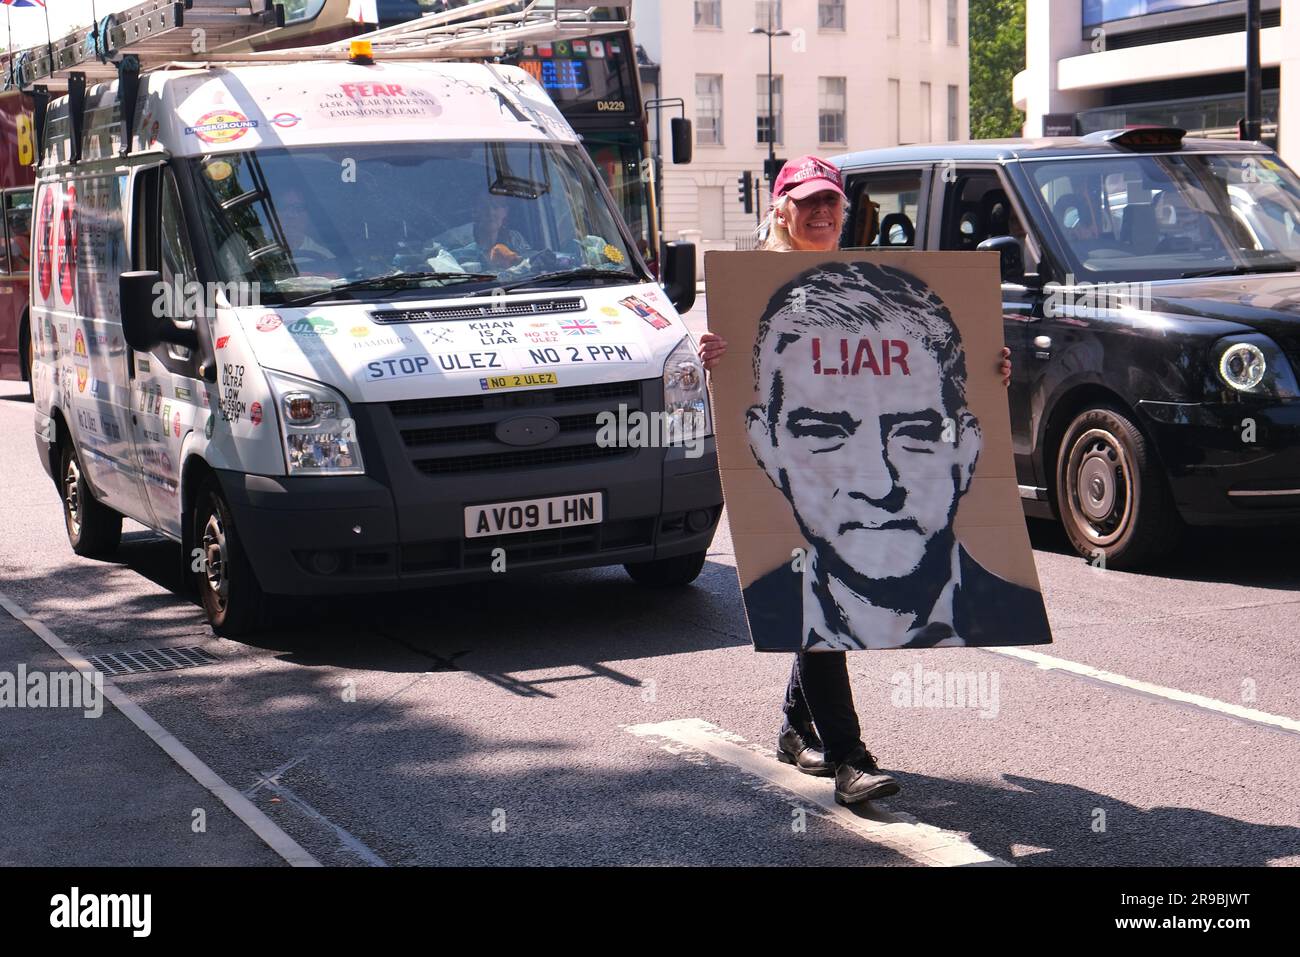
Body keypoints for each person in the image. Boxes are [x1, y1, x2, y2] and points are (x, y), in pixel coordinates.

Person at [697, 155, 1015, 806]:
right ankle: (849, 758)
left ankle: (795, 729)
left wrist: (991, 366)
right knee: (815, 609)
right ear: (780, 210)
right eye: (806, 202)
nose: (820, 212)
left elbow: (936, 378)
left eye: (830, 202)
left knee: (813, 606)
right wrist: (710, 360)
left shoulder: (868, 282)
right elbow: (720, 387)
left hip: (845, 482)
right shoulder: (745, 290)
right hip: (809, 492)